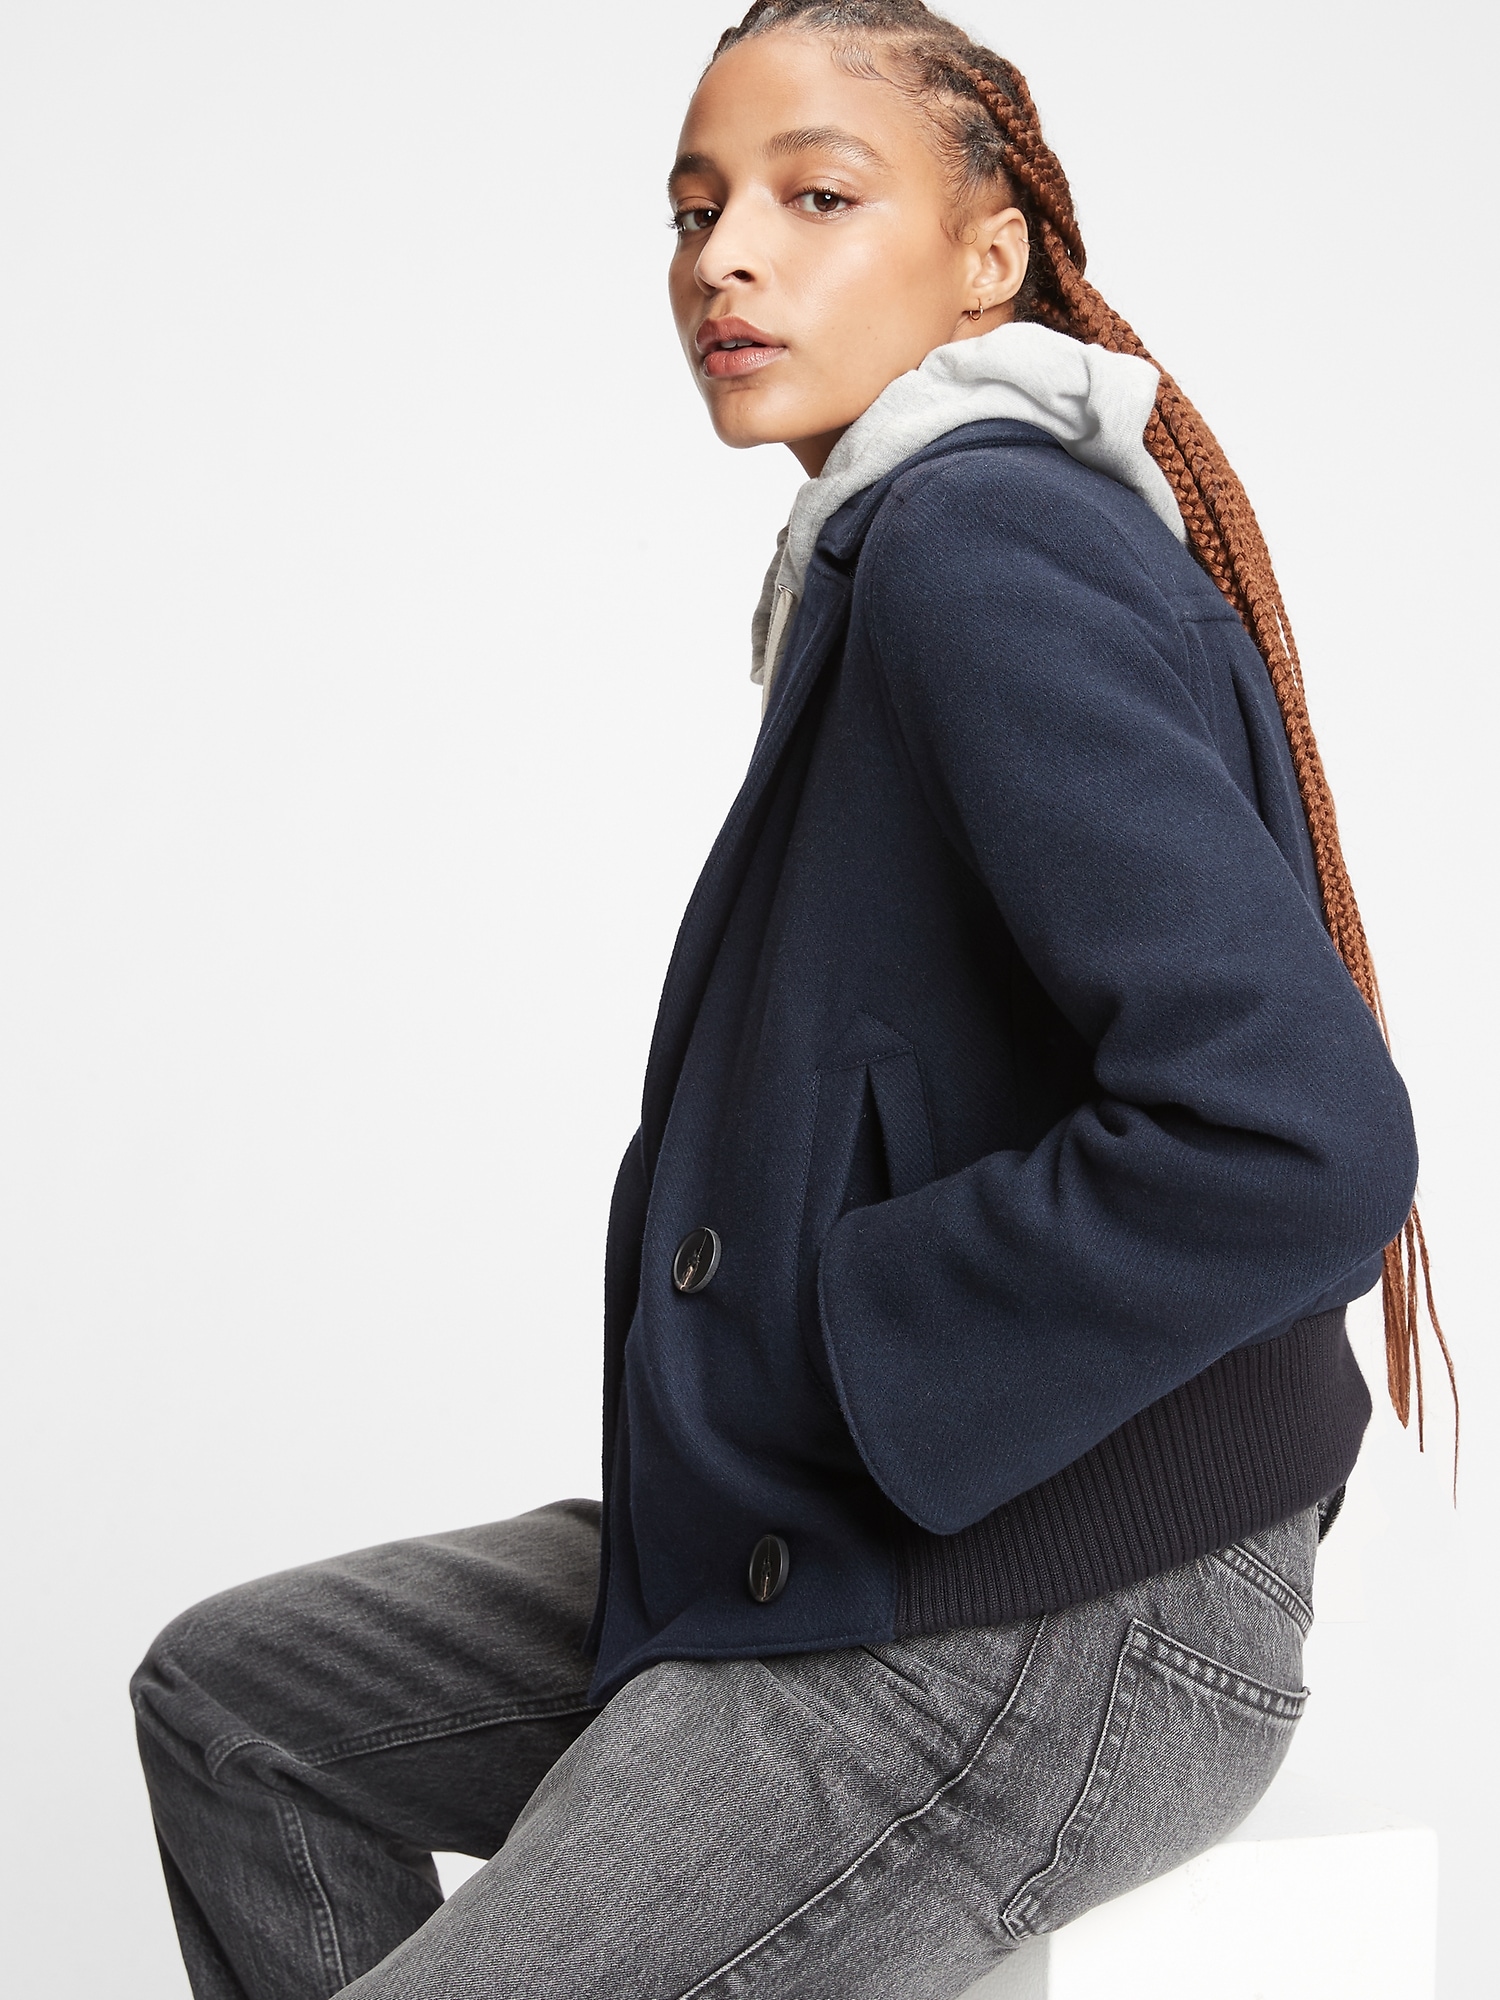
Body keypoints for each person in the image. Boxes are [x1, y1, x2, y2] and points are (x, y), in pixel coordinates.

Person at [131, 6, 1438, 1995]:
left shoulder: (974, 540)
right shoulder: (904, 547)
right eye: (695, 209)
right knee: (237, 1698)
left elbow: (1300, 1138)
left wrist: (849, 1340)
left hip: (1054, 1611)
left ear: (989, 255)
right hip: (896, 1540)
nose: (725, 257)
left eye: (816, 197)